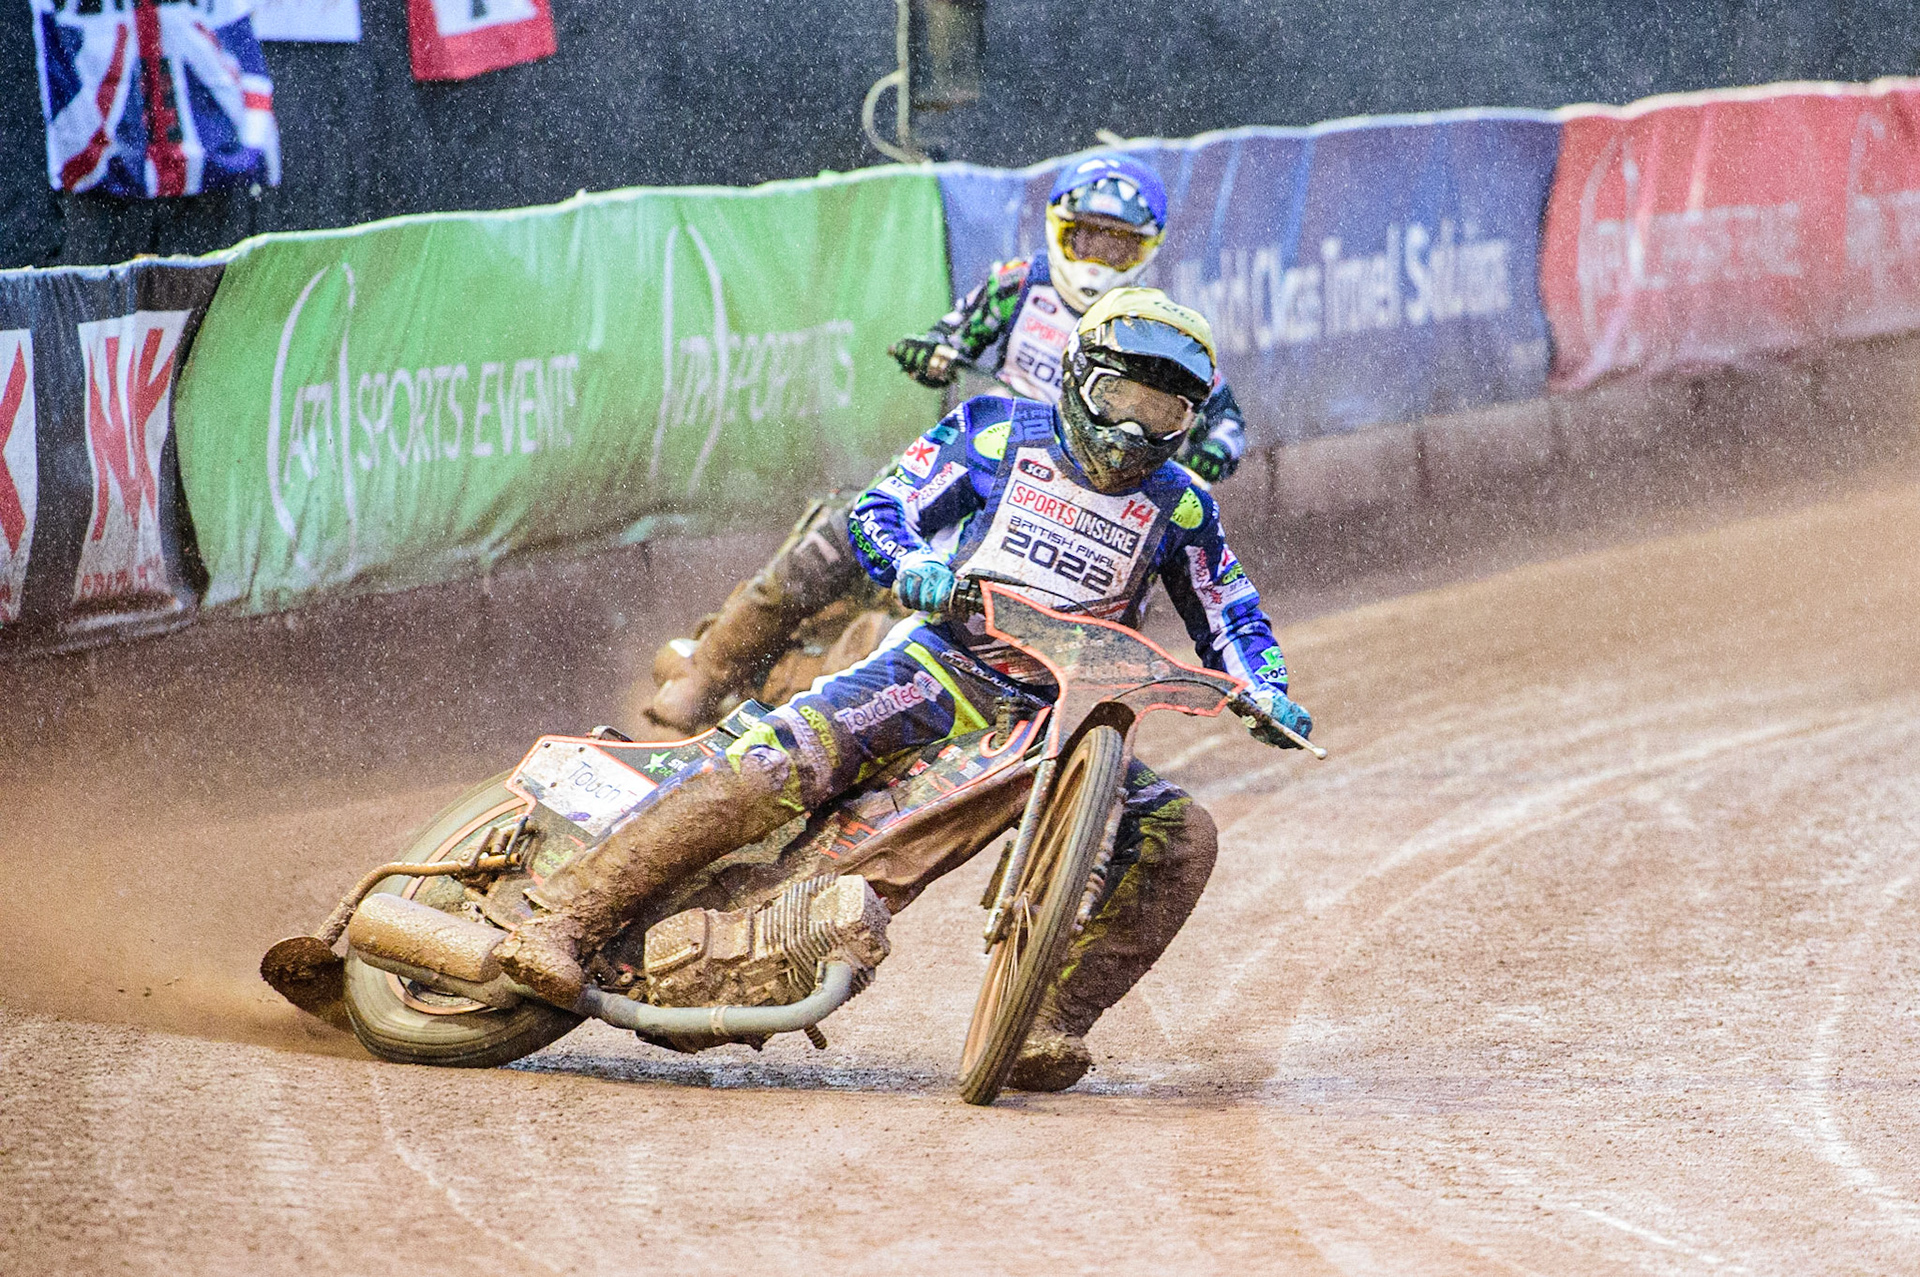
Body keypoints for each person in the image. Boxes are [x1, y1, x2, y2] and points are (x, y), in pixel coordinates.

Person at [499, 288, 1313, 1091]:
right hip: (937, 664)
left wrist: (1265, 688)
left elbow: (1230, 612)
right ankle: (566, 919)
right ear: (1076, 377)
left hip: (1056, 720)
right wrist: (911, 564)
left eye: (1161, 413)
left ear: (1189, 424)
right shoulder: (995, 430)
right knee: (773, 765)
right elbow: (882, 505)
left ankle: (1044, 1019)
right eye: (1120, 398)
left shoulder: (1184, 505)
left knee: (1183, 836)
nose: (1134, 428)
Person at [641, 152, 1250, 735]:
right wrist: (934, 353)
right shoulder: (1018, 285)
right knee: (841, 529)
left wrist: (1216, 444)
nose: (1098, 257)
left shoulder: (1161, 331)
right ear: (1059, 230)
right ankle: (707, 671)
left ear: (1146, 249)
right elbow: (953, 335)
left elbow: (1221, 410)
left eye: (1118, 243)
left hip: (1088, 507)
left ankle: (815, 685)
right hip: (984, 466)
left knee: (910, 646)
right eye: (1086, 237)